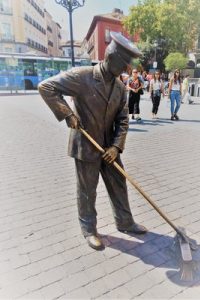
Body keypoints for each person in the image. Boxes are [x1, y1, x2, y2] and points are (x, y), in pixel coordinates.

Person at [38, 32, 147, 251]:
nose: (126, 69)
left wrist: (116, 147)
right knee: (88, 190)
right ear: (111, 58)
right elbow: (46, 87)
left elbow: (123, 120)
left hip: (109, 149)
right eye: (124, 64)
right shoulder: (82, 76)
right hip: (86, 146)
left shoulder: (120, 88)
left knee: (118, 184)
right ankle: (89, 229)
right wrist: (68, 114)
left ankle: (125, 222)